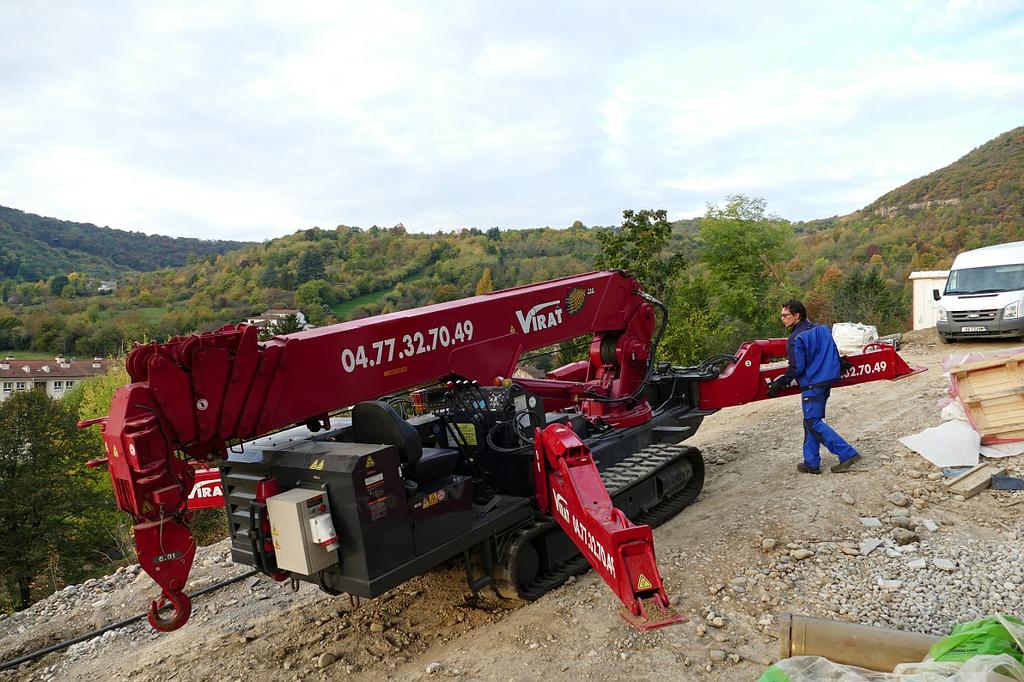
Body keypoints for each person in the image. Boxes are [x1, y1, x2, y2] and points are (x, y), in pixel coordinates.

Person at [767, 300, 862, 474]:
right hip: (827, 381)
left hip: (812, 384)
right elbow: (833, 351)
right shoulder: (823, 329)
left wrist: (780, 383)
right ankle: (811, 463)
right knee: (810, 420)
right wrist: (839, 364)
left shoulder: (796, 338)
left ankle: (847, 453)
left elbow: (797, 368)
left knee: (813, 421)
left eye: (785, 315)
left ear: (797, 315)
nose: (782, 318)